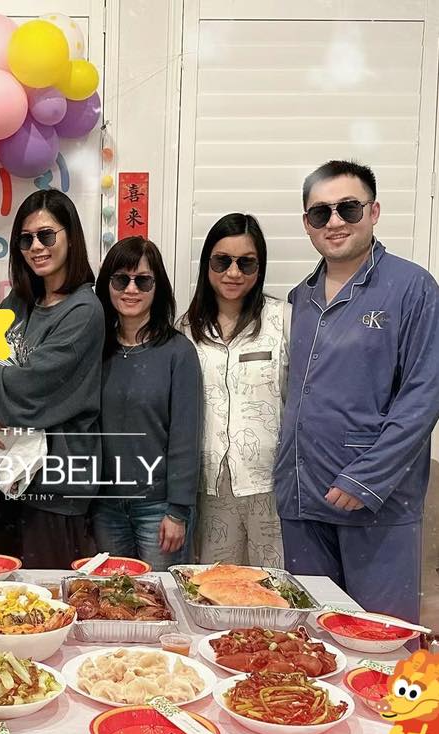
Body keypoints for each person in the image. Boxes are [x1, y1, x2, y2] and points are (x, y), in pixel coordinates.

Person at [275, 160, 439, 623]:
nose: (334, 222)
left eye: (347, 208)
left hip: (376, 501)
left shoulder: (412, 288)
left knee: (378, 637)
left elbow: (423, 395)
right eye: (320, 213)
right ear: (307, 223)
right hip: (303, 496)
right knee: (311, 636)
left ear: (373, 212)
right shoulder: (300, 298)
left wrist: (364, 479)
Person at [0, 189, 104, 569]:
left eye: (46, 235)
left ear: (71, 236)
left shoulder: (84, 311)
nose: (36, 247)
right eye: (26, 239)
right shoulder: (20, 303)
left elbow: (25, 392)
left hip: (57, 485)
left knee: (48, 595)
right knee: (11, 594)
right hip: (9, 476)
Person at [180, 213, 288, 568]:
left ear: (260, 267)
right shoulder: (186, 330)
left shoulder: (284, 320)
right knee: (216, 583)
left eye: (246, 263)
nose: (233, 272)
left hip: (270, 482)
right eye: (222, 261)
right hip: (209, 484)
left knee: (273, 585)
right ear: (207, 264)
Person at [93, 236, 202, 570]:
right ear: (107, 285)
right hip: (104, 506)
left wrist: (177, 511)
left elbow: (186, 436)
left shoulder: (178, 352)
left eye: (143, 280)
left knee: (161, 597)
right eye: (120, 280)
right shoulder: (95, 349)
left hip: (159, 508)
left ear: (158, 288)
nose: (131, 289)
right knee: (111, 596)